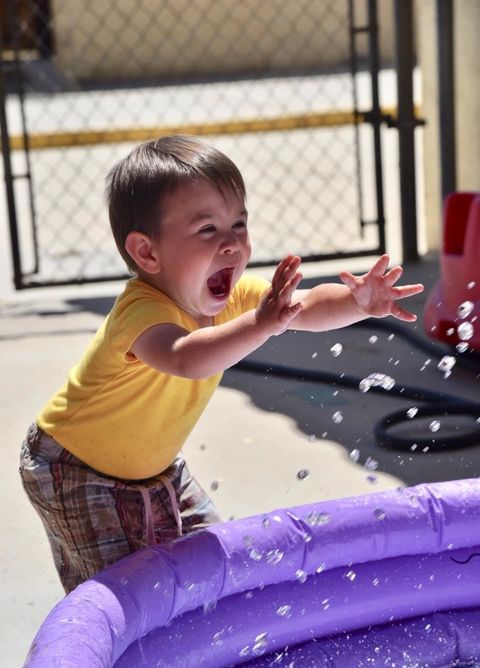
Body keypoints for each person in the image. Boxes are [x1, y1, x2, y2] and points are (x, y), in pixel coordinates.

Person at [19, 135, 424, 594]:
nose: (232, 244)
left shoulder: (235, 299)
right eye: (207, 230)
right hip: (75, 469)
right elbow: (187, 356)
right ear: (147, 253)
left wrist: (357, 301)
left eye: (239, 223)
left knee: (214, 571)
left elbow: (307, 305)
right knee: (126, 591)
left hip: (156, 469)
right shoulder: (142, 311)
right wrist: (261, 323)